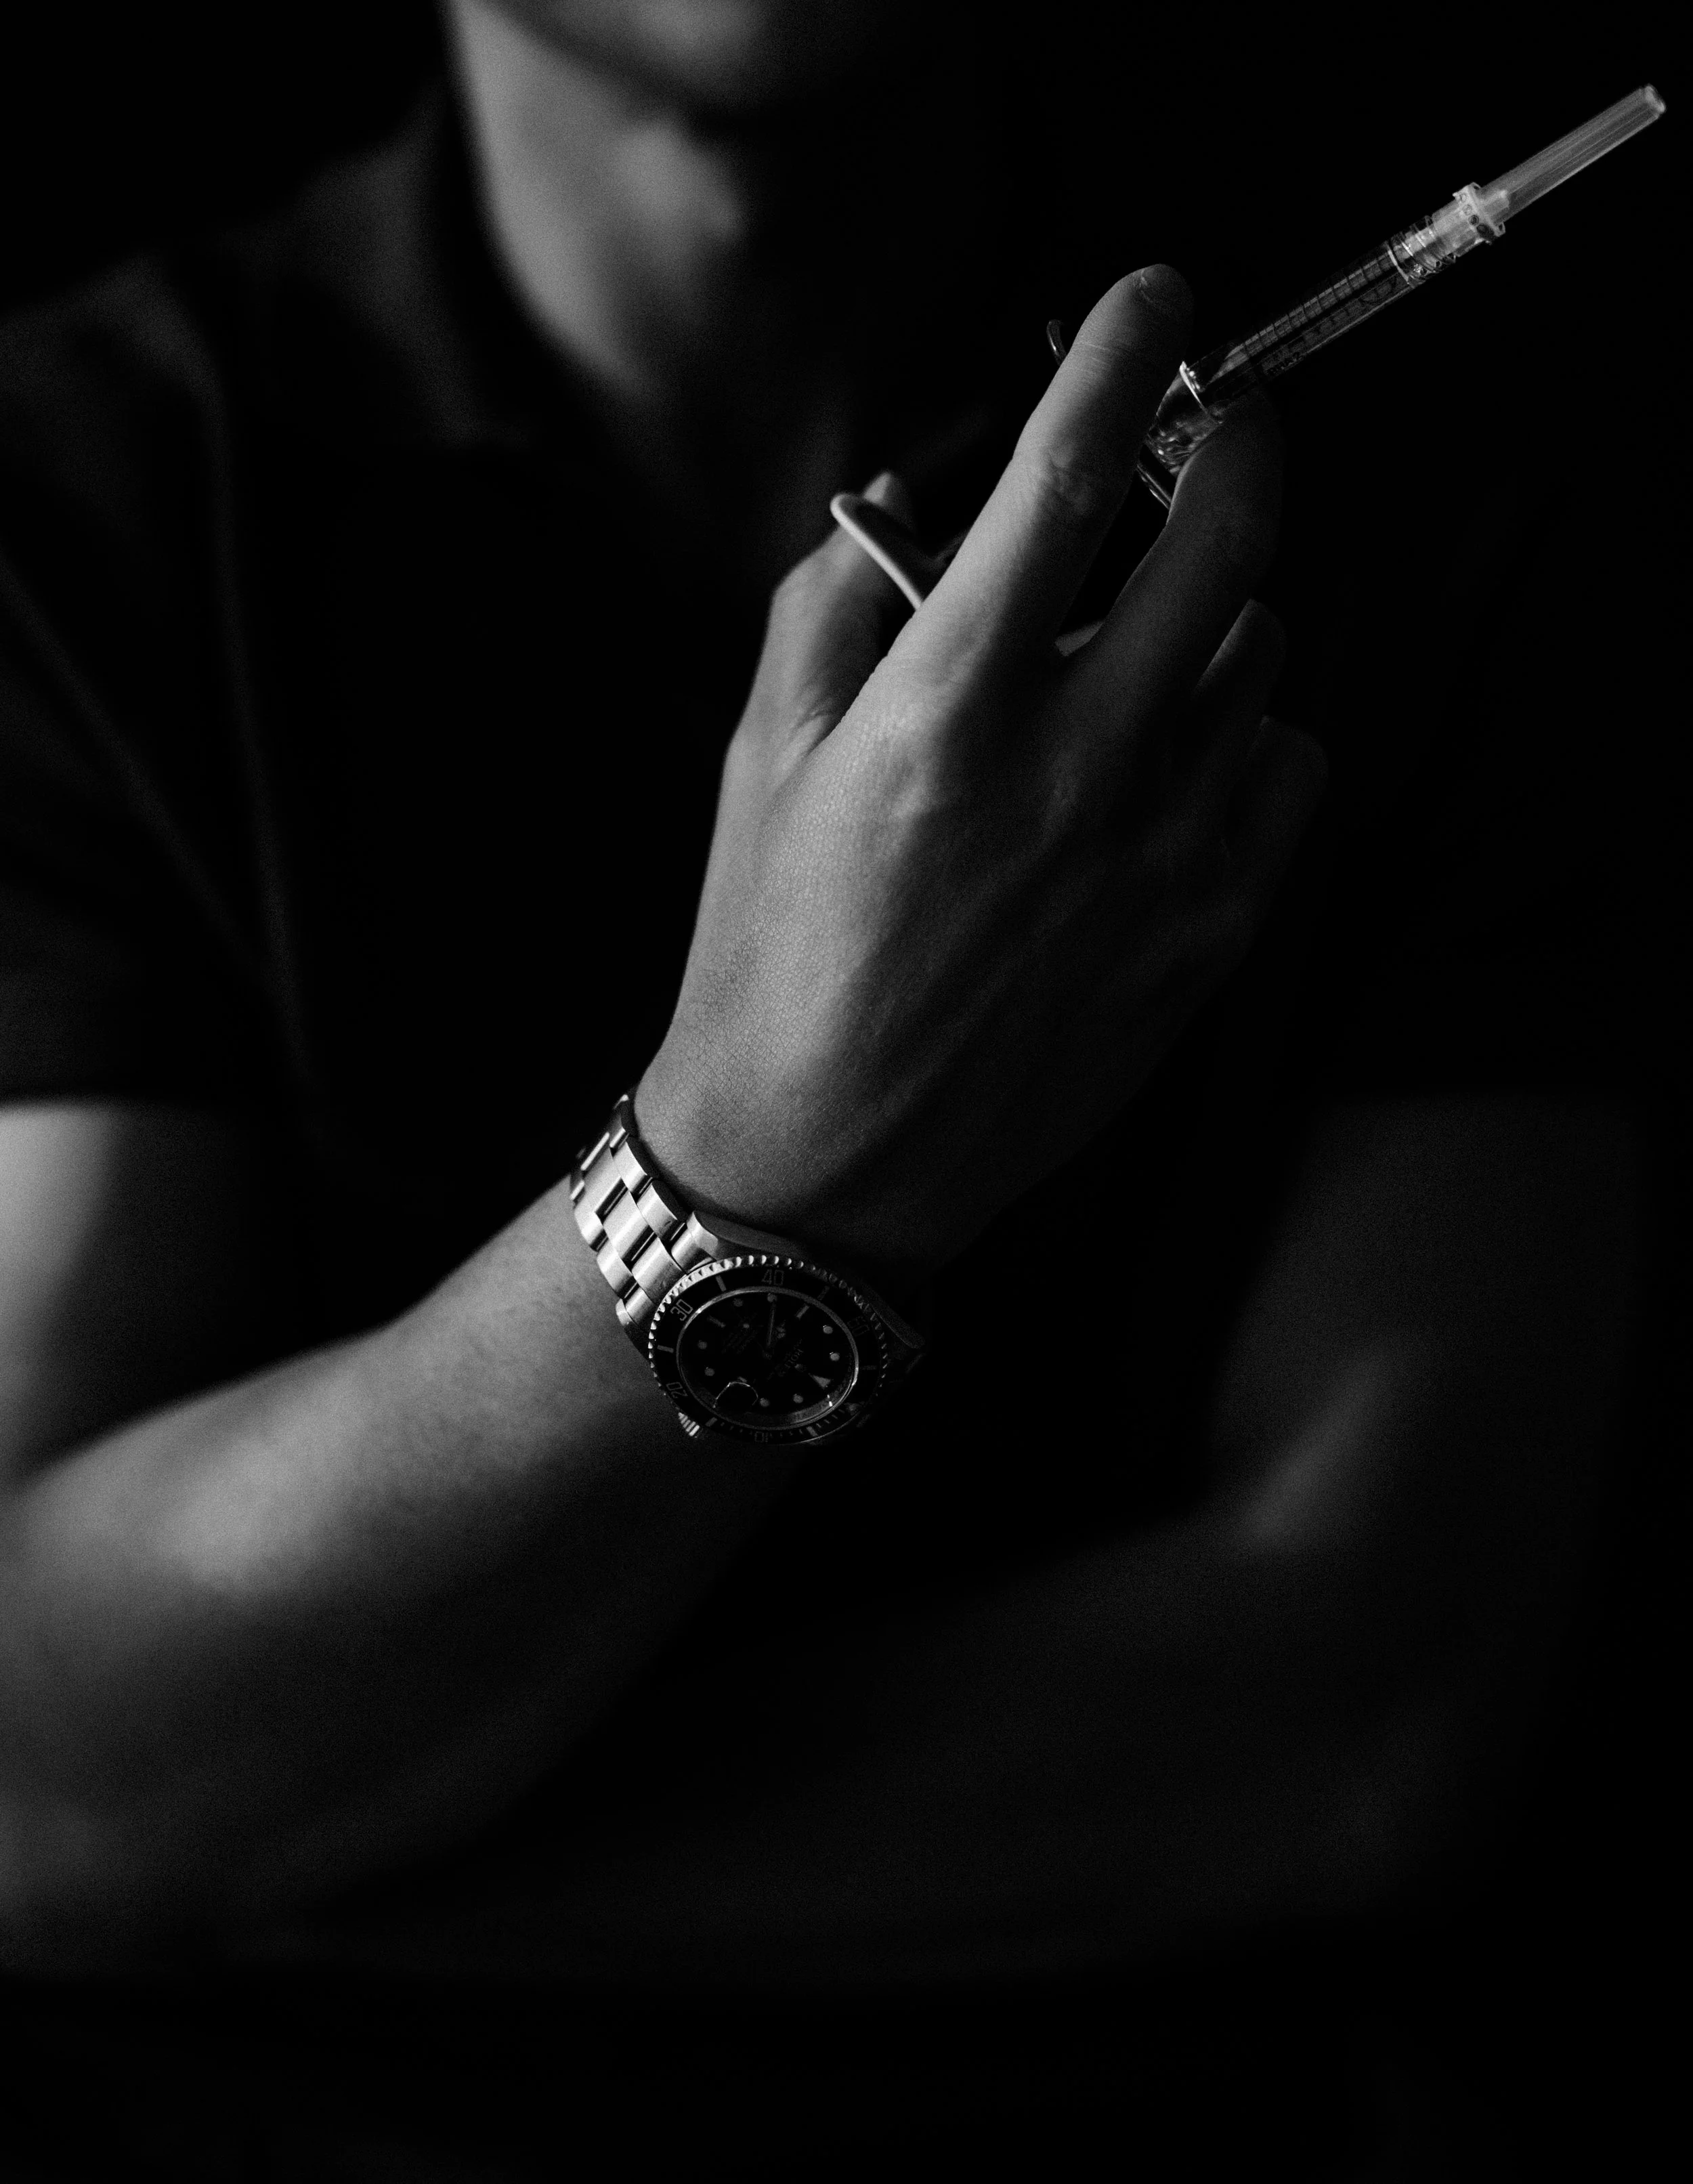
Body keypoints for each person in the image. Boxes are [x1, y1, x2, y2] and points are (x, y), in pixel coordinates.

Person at [0, 2, 1671, 2172]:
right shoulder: (64, 506)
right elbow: (43, 1726)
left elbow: (1354, 1728)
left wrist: (225, 1839)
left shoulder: (1474, 490)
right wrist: (769, 1158)